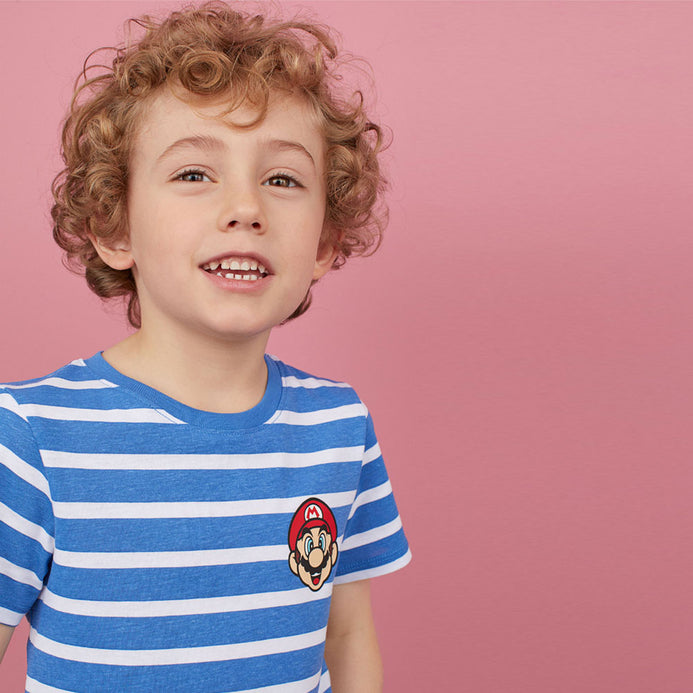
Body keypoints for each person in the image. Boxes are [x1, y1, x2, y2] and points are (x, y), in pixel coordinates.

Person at [0, 3, 411, 691]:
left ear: (323, 242)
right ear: (114, 227)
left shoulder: (339, 426)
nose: (246, 207)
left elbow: (346, 635)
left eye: (282, 179)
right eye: (194, 174)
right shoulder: (30, 437)